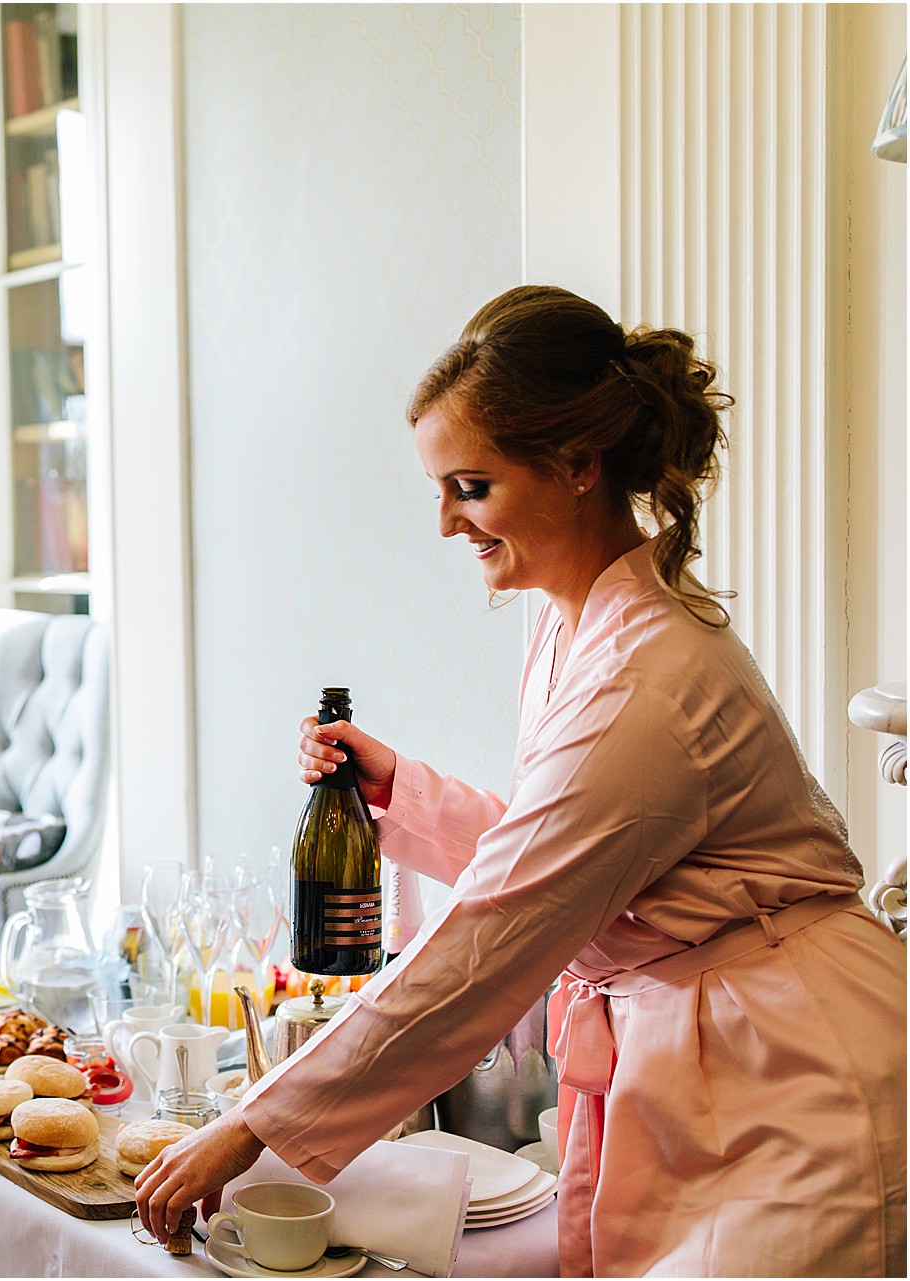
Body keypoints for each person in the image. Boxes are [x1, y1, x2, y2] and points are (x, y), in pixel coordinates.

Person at [135, 286, 907, 1276]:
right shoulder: (573, 623)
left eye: (470, 486)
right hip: (706, 1056)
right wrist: (400, 793)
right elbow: (566, 861)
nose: (448, 525)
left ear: (578, 466)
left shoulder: (646, 675)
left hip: (795, 1078)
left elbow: (501, 928)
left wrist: (252, 1125)